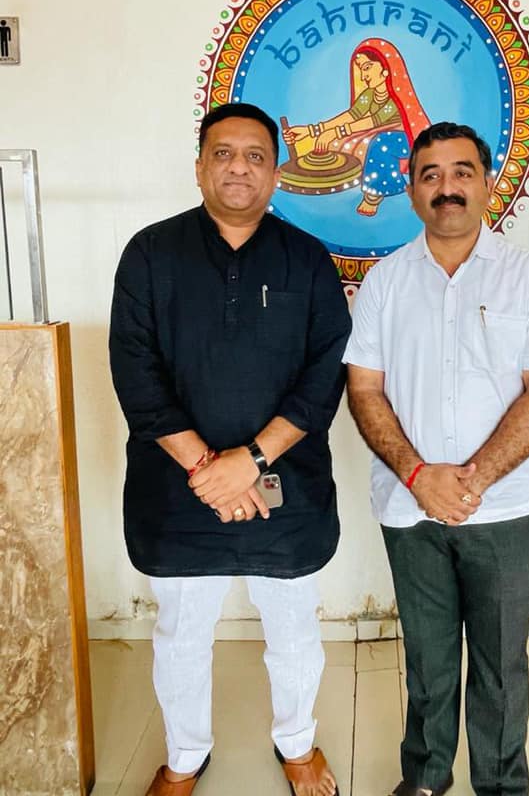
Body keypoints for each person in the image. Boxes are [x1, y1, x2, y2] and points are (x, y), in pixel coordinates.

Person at [109, 102, 351, 796]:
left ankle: (296, 746)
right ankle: (184, 757)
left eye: (254, 156)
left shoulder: (307, 259)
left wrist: (251, 461)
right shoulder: (151, 253)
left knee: (294, 630)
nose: (238, 167)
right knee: (181, 634)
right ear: (199, 168)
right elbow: (135, 371)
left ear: (276, 173)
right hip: (178, 487)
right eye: (223, 154)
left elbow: (325, 373)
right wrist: (207, 468)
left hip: (286, 485)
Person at [343, 122, 529, 796]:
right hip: (409, 508)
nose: (447, 187)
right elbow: (364, 389)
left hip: (505, 510)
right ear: (412, 190)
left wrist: (473, 480)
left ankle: (500, 784)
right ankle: (425, 775)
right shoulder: (385, 281)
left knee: (501, 664)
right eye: (431, 175)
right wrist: (420, 477)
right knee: (428, 658)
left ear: (488, 183)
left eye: (462, 172)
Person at [282, 38, 430, 216]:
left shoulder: (395, 98)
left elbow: (372, 121)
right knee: (337, 141)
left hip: (405, 140)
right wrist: (311, 131)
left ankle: (374, 194)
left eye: (367, 67)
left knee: (380, 143)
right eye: (360, 69)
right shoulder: (369, 95)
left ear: (385, 70)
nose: (363, 75)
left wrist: (334, 132)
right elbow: (351, 115)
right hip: (378, 133)